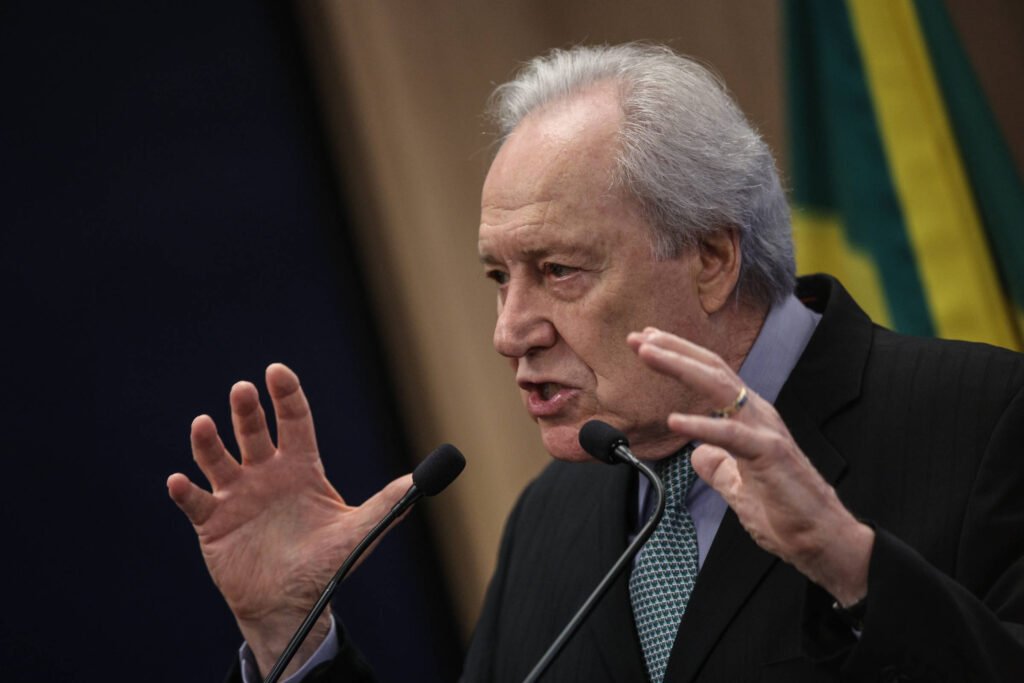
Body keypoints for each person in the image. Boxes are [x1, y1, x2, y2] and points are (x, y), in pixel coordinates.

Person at [168, 44, 1024, 681]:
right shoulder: (554, 517)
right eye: (499, 277)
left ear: (712, 258)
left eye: (558, 270)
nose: (510, 331)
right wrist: (293, 640)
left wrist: (852, 569)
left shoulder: (986, 420)